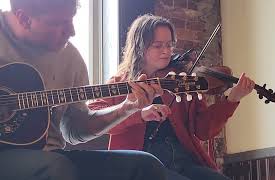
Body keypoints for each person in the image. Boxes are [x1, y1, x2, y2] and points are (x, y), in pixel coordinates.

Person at [0, 1, 168, 180]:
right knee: (56, 168)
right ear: (24, 18)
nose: (72, 31)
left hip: (52, 156)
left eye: (71, 19)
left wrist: (126, 107)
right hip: (21, 159)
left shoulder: (70, 59)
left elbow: (74, 131)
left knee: (146, 166)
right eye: (59, 23)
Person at [89, 14, 255, 180]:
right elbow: (93, 117)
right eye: (158, 45)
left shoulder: (181, 80)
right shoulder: (120, 83)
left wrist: (232, 99)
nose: (166, 51)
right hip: (141, 166)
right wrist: (138, 115)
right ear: (140, 47)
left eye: (169, 45)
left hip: (183, 162)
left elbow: (203, 130)